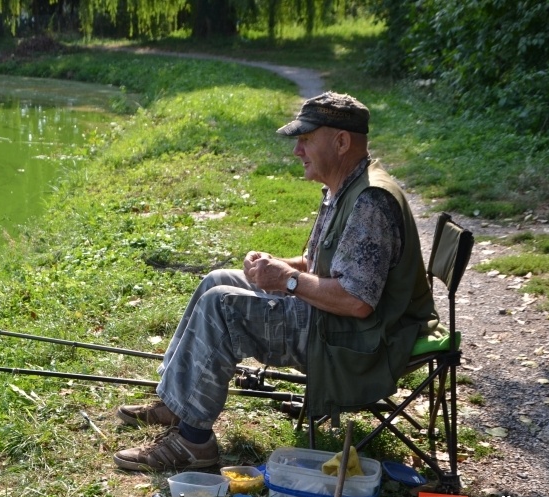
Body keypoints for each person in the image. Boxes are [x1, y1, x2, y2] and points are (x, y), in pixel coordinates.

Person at [113, 91, 439, 472]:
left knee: (223, 305)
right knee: (216, 280)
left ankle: (194, 442)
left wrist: (288, 281)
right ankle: (176, 403)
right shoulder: (345, 186)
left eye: (305, 139)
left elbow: (357, 300)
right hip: (337, 323)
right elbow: (325, 262)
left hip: (356, 341)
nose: (297, 150)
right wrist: (276, 266)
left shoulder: (370, 200)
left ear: (341, 141)